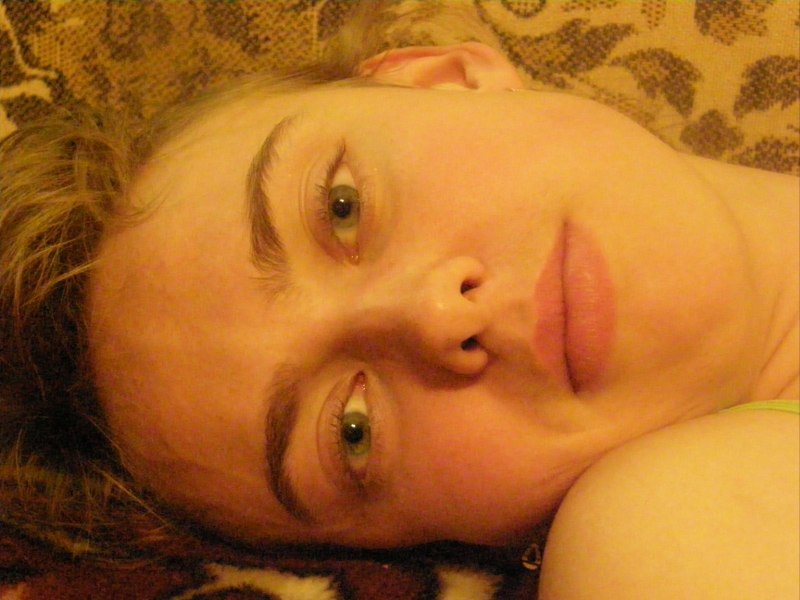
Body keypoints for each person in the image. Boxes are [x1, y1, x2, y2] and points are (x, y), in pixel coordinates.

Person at [1, 2, 797, 598]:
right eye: (353, 431)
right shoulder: (674, 538)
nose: (435, 314)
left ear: (447, 77)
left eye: (341, 207)